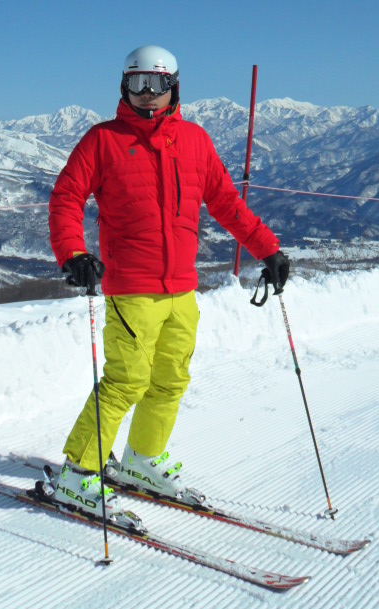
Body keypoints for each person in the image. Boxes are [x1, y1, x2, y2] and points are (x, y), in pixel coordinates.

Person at [48, 44, 290, 516]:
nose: (147, 94)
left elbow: (226, 203)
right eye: (137, 83)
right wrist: (74, 254)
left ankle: (141, 458)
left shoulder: (195, 141)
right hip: (131, 287)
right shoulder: (103, 140)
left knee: (170, 380)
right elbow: (66, 198)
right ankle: (77, 474)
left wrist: (267, 248)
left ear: (174, 87)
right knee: (126, 382)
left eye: (156, 84)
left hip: (181, 288)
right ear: (124, 86)